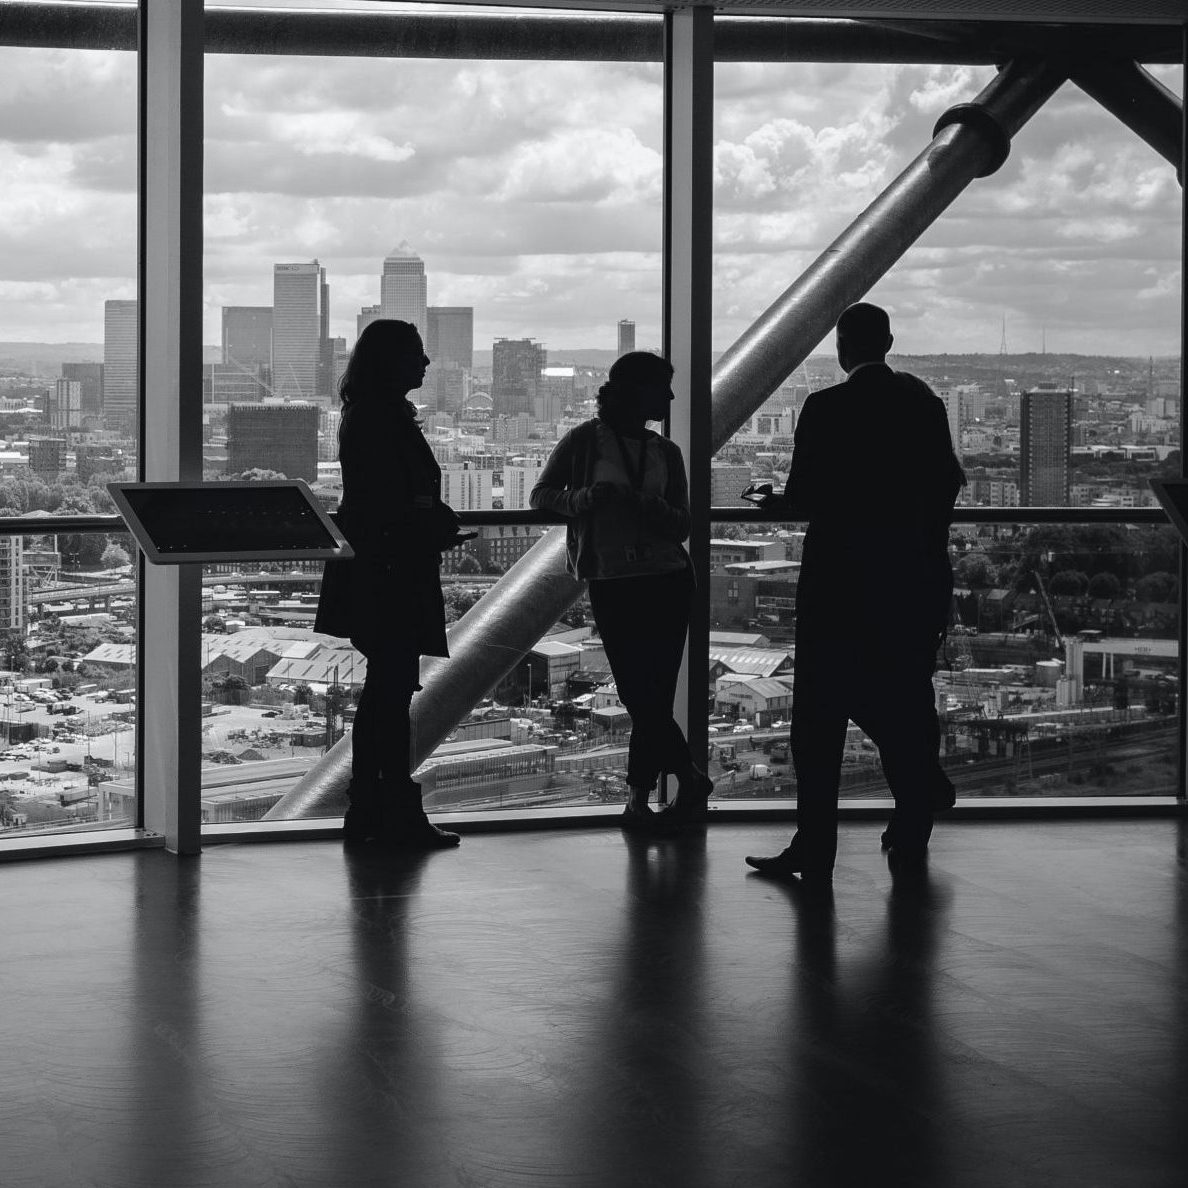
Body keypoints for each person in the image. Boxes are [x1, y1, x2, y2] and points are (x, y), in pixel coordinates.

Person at [743, 303, 965, 880]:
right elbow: (947, 485)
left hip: (840, 581)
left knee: (820, 717)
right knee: (904, 695)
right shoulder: (925, 405)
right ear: (888, 342)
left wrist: (774, 504)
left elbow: (808, 497)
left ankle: (816, 846)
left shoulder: (826, 407)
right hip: (911, 579)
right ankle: (914, 816)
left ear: (842, 348)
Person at [530, 352, 712, 831]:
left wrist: (634, 502)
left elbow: (681, 524)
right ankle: (686, 778)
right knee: (642, 695)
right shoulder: (584, 442)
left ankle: (639, 799)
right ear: (638, 391)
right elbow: (542, 496)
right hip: (621, 580)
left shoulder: (665, 451)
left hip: (664, 579)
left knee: (648, 695)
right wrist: (586, 499)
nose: (671, 398)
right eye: (663, 388)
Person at [316, 319, 465, 850]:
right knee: (390, 695)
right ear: (392, 362)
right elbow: (390, 500)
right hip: (392, 570)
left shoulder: (366, 414)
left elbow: (377, 497)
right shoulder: (384, 418)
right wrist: (429, 523)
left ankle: (371, 809)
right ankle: (392, 812)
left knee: (385, 694)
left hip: (377, 567)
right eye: (418, 354)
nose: (426, 364)